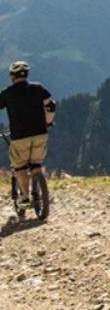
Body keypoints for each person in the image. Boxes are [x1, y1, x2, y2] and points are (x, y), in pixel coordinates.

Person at [0, 61, 56, 206]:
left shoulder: (7, 93)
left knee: (20, 167)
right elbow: (51, 106)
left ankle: (25, 198)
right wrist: (48, 122)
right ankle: (41, 192)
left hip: (19, 136)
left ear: (12, 76)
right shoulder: (38, 88)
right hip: (40, 133)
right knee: (36, 164)